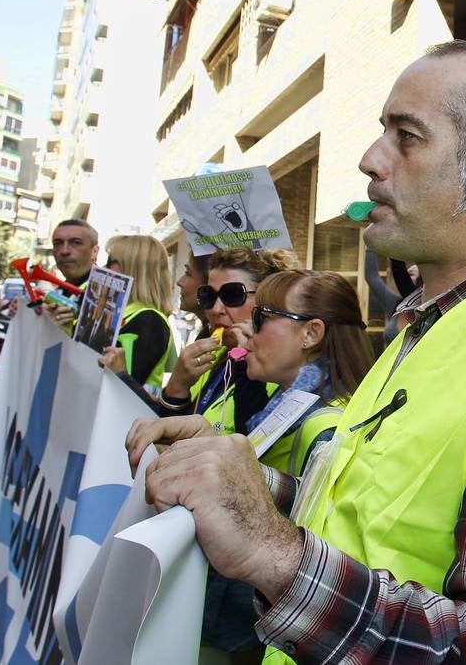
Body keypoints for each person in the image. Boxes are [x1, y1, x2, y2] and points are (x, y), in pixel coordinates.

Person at [136, 40, 466, 662]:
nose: (369, 159)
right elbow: (362, 519)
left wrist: (275, 553)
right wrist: (242, 481)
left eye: (406, 136)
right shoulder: (421, 324)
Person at [128, 268, 374, 662]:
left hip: (259, 631)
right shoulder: (288, 405)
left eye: (261, 318)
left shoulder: (328, 427)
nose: (246, 327)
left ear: (311, 334)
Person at [156, 247, 300, 424]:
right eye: (208, 295)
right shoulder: (214, 354)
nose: (216, 309)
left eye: (232, 295)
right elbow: (171, 433)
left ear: (268, 300)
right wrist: (177, 387)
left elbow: (249, 445)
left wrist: (245, 364)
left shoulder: (283, 369)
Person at [97, 235, 177, 394]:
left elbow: (126, 384)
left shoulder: (150, 320)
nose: (105, 267)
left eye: (112, 261)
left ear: (134, 268)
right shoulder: (124, 312)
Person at [44, 218, 100, 332]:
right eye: (58, 243)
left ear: (94, 251)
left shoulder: (105, 294)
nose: (64, 251)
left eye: (76, 243)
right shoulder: (59, 292)